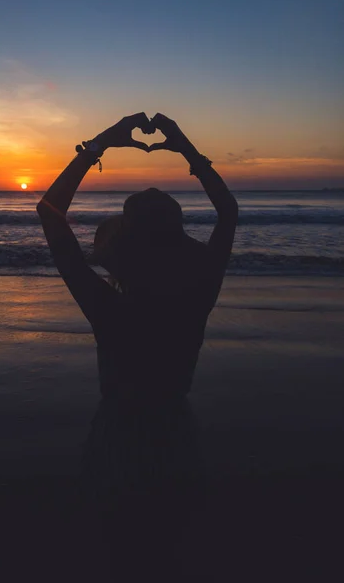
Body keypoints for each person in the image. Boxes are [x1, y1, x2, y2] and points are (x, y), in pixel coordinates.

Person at [37, 112, 238, 581]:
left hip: (120, 438)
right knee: (171, 550)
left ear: (123, 247)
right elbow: (228, 212)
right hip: (174, 433)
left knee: (119, 550)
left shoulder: (109, 308)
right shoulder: (197, 295)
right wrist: (185, 147)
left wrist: (99, 145)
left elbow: (49, 212)